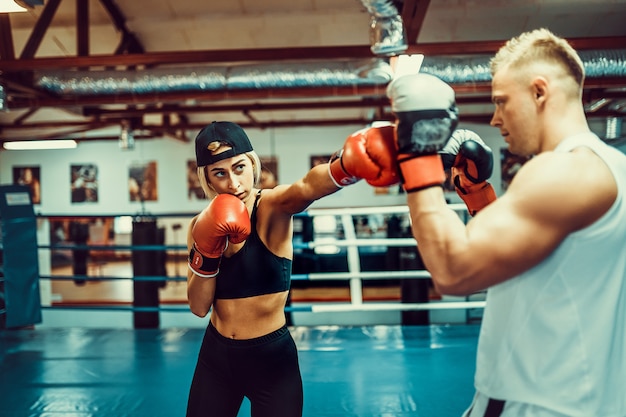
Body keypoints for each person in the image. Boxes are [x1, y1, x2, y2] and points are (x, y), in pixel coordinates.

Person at [385, 28, 626, 417]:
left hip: (541, 403)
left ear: (539, 92)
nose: (496, 118)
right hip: (570, 396)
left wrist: (419, 155)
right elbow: (531, 260)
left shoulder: (567, 171)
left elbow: (454, 271)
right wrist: (479, 198)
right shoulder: (608, 166)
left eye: (501, 101)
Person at [185, 121, 399, 417]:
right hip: (216, 358)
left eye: (239, 168)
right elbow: (198, 306)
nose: (234, 184)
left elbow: (306, 188)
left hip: (271, 360)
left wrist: (346, 168)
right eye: (219, 173)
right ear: (206, 178)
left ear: (252, 163)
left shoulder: (272, 205)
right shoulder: (200, 225)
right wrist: (208, 255)